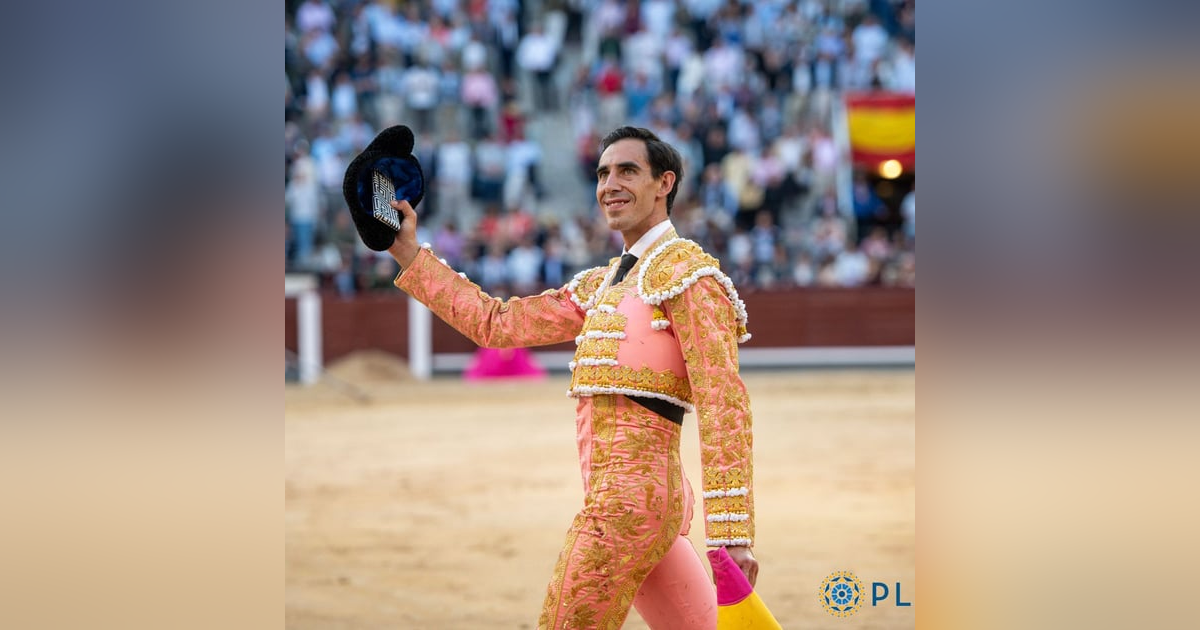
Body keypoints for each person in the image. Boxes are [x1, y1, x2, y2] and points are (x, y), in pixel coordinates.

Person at [384, 126, 758, 629]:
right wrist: (409, 253)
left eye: (628, 171)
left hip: (627, 507)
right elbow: (497, 323)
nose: (610, 184)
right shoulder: (601, 284)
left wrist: (732, 531)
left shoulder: (689, 276)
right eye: (603, 173)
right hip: (633, 504)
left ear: (664, 183)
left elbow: (722, 401)